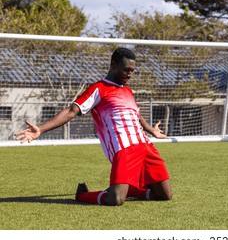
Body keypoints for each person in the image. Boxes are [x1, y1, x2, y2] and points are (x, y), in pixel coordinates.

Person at [14, 47, 172, 206]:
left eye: (132, 71)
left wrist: (152, 130)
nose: (129, 74)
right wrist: (41, 129)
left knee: (165, 195)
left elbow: (136, 115)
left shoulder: (128, 91)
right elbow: (71, 111)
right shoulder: (99, 89)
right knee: (115, 200)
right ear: (113, 65)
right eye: (126, 70)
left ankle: (129, 189)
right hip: (125, 147)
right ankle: (83, 195)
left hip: (146, 146)